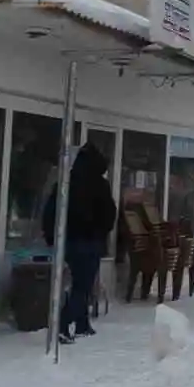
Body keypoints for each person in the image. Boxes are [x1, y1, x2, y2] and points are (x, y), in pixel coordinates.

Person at [42, 142, 117, 343]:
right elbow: (109, 214)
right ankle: (62, 325)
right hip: (89, 242)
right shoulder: (100, 185)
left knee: (78, 283)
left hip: (67, 241)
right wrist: (101, 232)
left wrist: (51, 237)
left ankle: (82, 324)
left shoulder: (66, 182)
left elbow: (50, 210)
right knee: (82, 287)